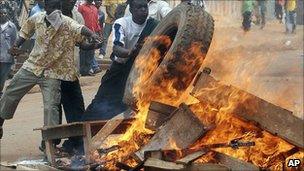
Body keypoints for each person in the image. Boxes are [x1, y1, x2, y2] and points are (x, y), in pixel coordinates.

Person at [0, 0, 101, 140]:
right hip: (32, 66)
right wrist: (16, 46)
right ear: (46, 7)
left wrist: (93, 36)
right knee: (10, 92)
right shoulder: (37, 18)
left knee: (51, 107)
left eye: (56, 7)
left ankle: (50, 142)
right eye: (50, 7)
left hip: (52, 72)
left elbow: (80, 30)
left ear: (59, 9)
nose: (53, 10)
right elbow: (25, 32)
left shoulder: (67, 22)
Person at [84, 0, 159, 120]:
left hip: (141, 71)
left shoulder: (154, 25)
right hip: (120, 69)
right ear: (131, 10)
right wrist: (131, 52)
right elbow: (117, 48)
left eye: (145, 7)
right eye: (139, 8)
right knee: (100, 105)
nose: (143, 10)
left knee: (134, 107)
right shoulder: (122, 23)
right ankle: (81, 135)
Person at [78, 0, 102, 76]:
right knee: (83, 52)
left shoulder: (95, 8)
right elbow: (78, 20)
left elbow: (96, 21)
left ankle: (87, 70)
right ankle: (81, 70)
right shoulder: (81, 7)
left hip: (93, 33)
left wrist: (99, 32)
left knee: (91, 53)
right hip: (84, 33)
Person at [0, 8, 17, 98]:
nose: (3, 15)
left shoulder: (12, 27)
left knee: (3, 77)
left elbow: (15, 41)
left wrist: (14, 54)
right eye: (1, 13)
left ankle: (0, 91)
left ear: (7, 14)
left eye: (5, 13)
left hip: (7, 57)